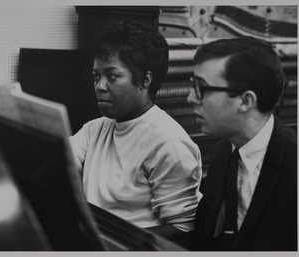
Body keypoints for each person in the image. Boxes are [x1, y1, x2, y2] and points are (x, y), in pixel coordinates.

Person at [69, 20, 202, 244]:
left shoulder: (168, 142)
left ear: (145, 80)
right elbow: (59, 161)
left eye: (111, 76)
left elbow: (183, 229)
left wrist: (117, 241)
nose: (100, 86)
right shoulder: (95, 129)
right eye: (96, 76)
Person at [187, 36, 297, 251]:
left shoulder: (295, 166)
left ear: (245, 101)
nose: (191, 97)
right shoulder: (224, 151)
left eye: (201, 87)